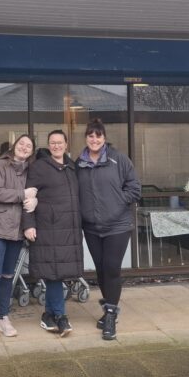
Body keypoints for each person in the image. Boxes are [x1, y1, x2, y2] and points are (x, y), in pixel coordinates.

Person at [76, 118, 141, 340]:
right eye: (91, 135)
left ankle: (111, 316)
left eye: (98, 136)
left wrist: (116, 201)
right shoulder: (80, 163)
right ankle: (109, 308)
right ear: (86, 138)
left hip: (117, 226)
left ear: (104, 138)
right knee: (101, 270)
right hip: (92, 228)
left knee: (112, 268)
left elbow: (134, 189)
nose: (94, 139)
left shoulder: (119, 160)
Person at [0, 134, 38, 350]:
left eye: (28, 146)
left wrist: (35, 198)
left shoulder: (31, 170)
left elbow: (37, 190)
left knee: (8, 275)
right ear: (14, 146)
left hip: (16, 231)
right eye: (21, 144)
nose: (24, 147)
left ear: (31, 151)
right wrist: (23, 194)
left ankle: (3, 317)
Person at [23, 130, 83, 337]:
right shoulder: (39, 168)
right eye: (52, 143)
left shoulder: (73, 167)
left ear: (66, 144)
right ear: (48, 145)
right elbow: (28, 200)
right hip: (48, 229)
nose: (56, 146)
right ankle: (61, 316)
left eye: (60, 142)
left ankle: (48, 315)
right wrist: (28, 225)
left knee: (54, 273)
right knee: (55, 274)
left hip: (69, 229)